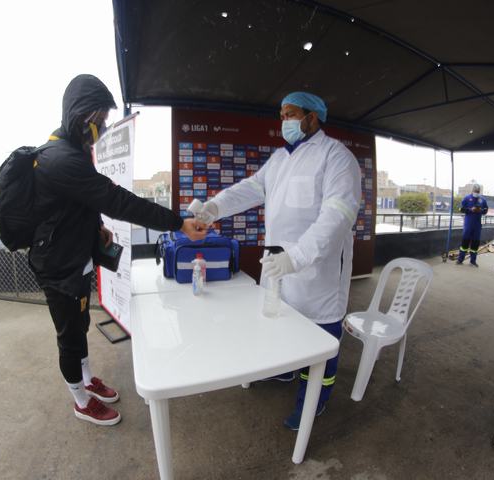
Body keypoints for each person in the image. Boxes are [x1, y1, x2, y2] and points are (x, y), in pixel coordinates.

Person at [29, 74, 206, 426]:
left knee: (80, 324)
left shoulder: (73, 151)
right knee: (69, 336)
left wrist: (97, 227)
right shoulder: (60, 159)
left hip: (76, 258)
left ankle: (86, 378)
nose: (102, 128)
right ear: (81, 115)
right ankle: (81, 401)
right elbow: (118, 200)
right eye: (99, 119)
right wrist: (178, 223)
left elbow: (79, 203)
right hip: (58, 267)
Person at [195, 91, 362, 430]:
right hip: (278, 265)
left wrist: (297, 257)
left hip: (317, 271)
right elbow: (249, 189)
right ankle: (285, 372)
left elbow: (338, 214)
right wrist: (214, 208)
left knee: (320, 340)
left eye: (291, 114)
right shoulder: (280, 159)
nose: (284, 120)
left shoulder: (336, 156)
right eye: (282, 115)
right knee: (281, 322)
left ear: (312, 117)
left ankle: (314, 400)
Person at [455, 184, 488, 266]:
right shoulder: (467, 198)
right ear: (472, 190)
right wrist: (470, 210)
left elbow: (486, 210)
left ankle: (473, 261)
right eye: (475, 191)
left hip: (477, 225)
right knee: (465, 243)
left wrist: (480, 210)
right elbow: (461, 209)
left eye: (478, 191)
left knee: (475, 243)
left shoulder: (482, 200)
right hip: (468, 225)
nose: (476, 192)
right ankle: (460, 260)